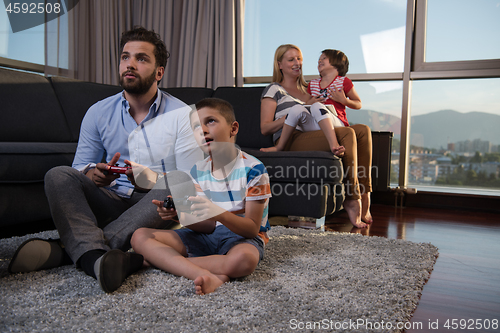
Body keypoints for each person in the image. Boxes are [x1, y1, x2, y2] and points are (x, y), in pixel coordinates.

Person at [8, 27, 203, 293]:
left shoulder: (183, 115)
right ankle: (105, 254)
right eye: (125, 57)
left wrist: (150, 180)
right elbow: (80, 168)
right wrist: (94, 176)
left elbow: (192, 181)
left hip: (156, 206)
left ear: (159, 72)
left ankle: (81, 253)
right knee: (58, 175)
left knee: (177, 182)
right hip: (110, 199)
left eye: (141, 59)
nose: (130, 64)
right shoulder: (98, 112)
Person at [131, 98, 272, 295]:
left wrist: (218, 213)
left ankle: (159, 261)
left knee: (245, 260)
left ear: (233, 128)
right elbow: (206, 226)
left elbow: (251, 229)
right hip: (207, 236)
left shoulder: (254, 170)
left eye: (211, 121)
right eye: (196, 127)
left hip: (241, 237)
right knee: (140, 236)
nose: (203, 130)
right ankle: (214, 276)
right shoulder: (198, 170)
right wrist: (179, 216)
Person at [259, 44, 372, 228]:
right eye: (291, 59)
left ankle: (366, 193)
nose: (297, 63)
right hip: (290, 138)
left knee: (363, 130)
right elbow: (265, 128)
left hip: (313, 134)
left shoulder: (308, 88)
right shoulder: (274, 90)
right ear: (279, 64)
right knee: (347, 133)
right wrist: (288, 118)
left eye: (299, 58)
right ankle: (352, 197)